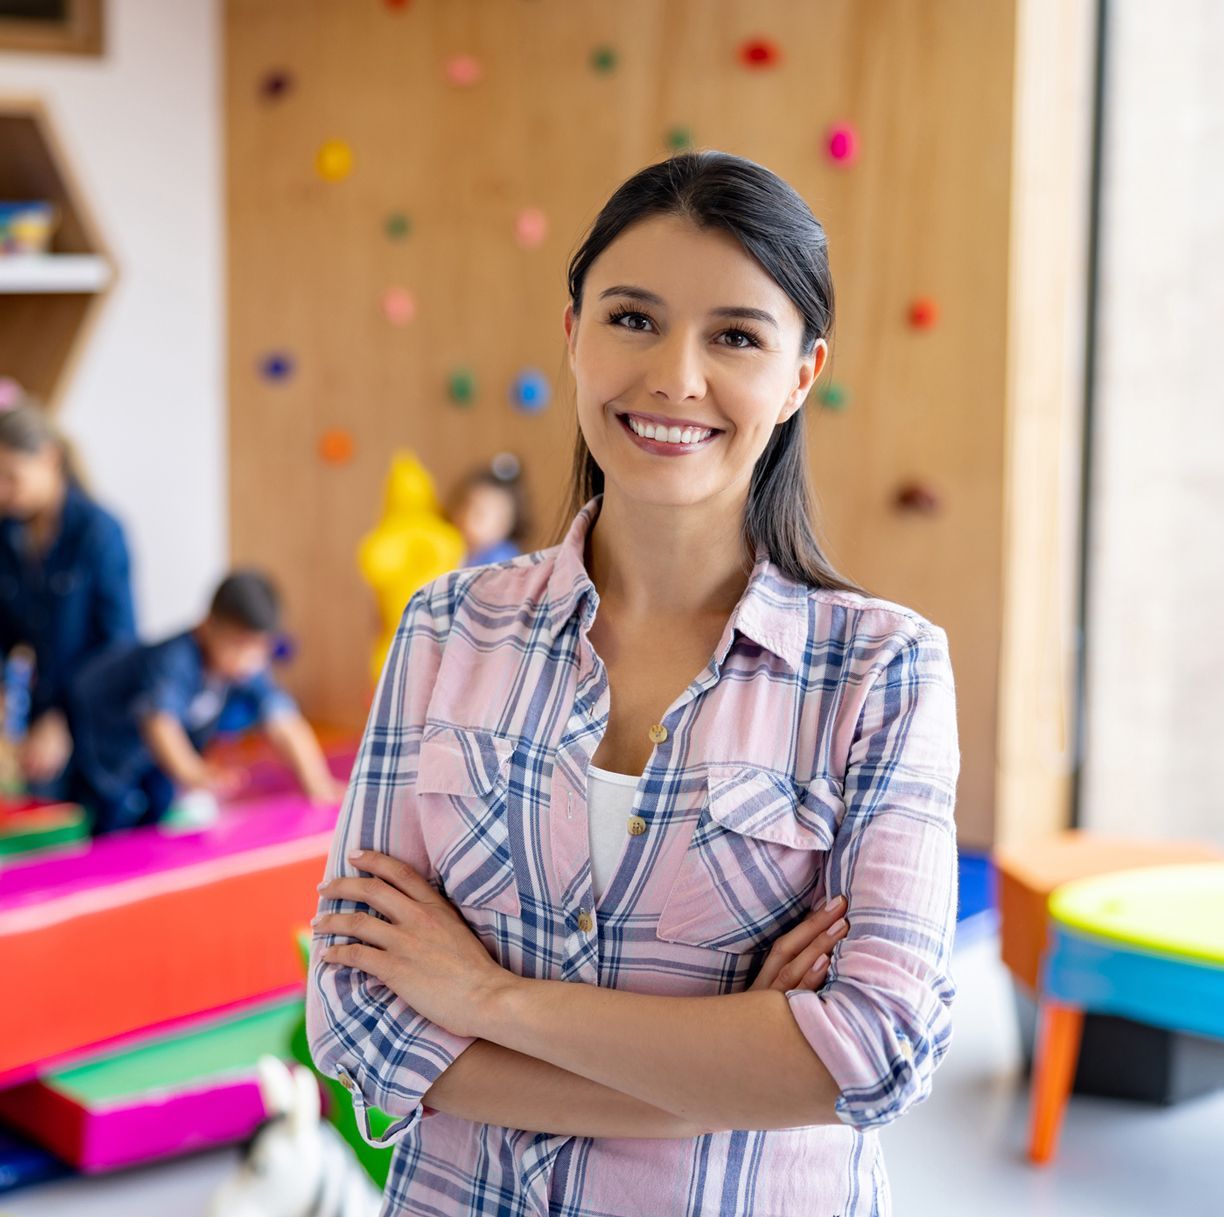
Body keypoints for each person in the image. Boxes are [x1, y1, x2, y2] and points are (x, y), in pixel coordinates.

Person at [307, 152, 960, 1216]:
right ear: (571, 333)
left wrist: (486, 998)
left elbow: (876, 1052)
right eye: (631, 318)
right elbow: (356, 1013)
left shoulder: (880, 670)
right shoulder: (445, 625)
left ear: (801, 374)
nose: (675, 376)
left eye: (736, 336)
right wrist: (731, 1068)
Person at [68, 568, 344, 835]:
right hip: (103, 735)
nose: (247, 660)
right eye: (237, 645)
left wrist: (317, 783)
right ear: (206, 626)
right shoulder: (176, 660)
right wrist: (196, 774)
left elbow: (284, 720)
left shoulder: (248, 669)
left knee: (157, 808)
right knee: (113, 815)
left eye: (259, 648)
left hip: (153, 757)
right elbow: (160, 724)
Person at [0, 399, 137, 801]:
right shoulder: (7, 534)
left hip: (95, 715)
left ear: (49, 458)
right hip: (39, 711)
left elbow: (118, 645)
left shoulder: (100, 532)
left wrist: (63, 720)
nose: (2, 492)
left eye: (11, 477)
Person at [447, 453, 528, 567]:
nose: (466, 517)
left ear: (503, 524)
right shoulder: (451, 544)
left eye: (479, 514)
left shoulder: (502, 559)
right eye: (463, 506)